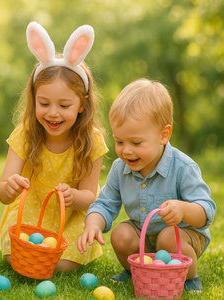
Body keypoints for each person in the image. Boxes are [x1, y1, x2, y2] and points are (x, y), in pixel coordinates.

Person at [77, 79, 216, 291]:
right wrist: (93, 223)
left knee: (168, 236)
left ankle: (189, 278)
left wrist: (183, 210)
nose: (126, 151)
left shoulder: (183, 167)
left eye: (136, 143)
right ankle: (134, 272)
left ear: (164, 135)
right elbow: (105, 204)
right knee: (121, 234)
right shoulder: (119, 168)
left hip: (181, 236)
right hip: (144, 236)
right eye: (120, 141)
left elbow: (206, 211)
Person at [0, 22, 108, 272]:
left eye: (64, 106)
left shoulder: (92, 140)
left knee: (62, 263)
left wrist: (73, 197)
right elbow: (1, 193)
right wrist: (10, 187)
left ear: (82, 104)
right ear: (33, 99)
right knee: (17, 256)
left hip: (69, 218)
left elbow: (90, 197)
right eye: (43, 103)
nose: (53, 113)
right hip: (30, 213)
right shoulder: (24, 135)